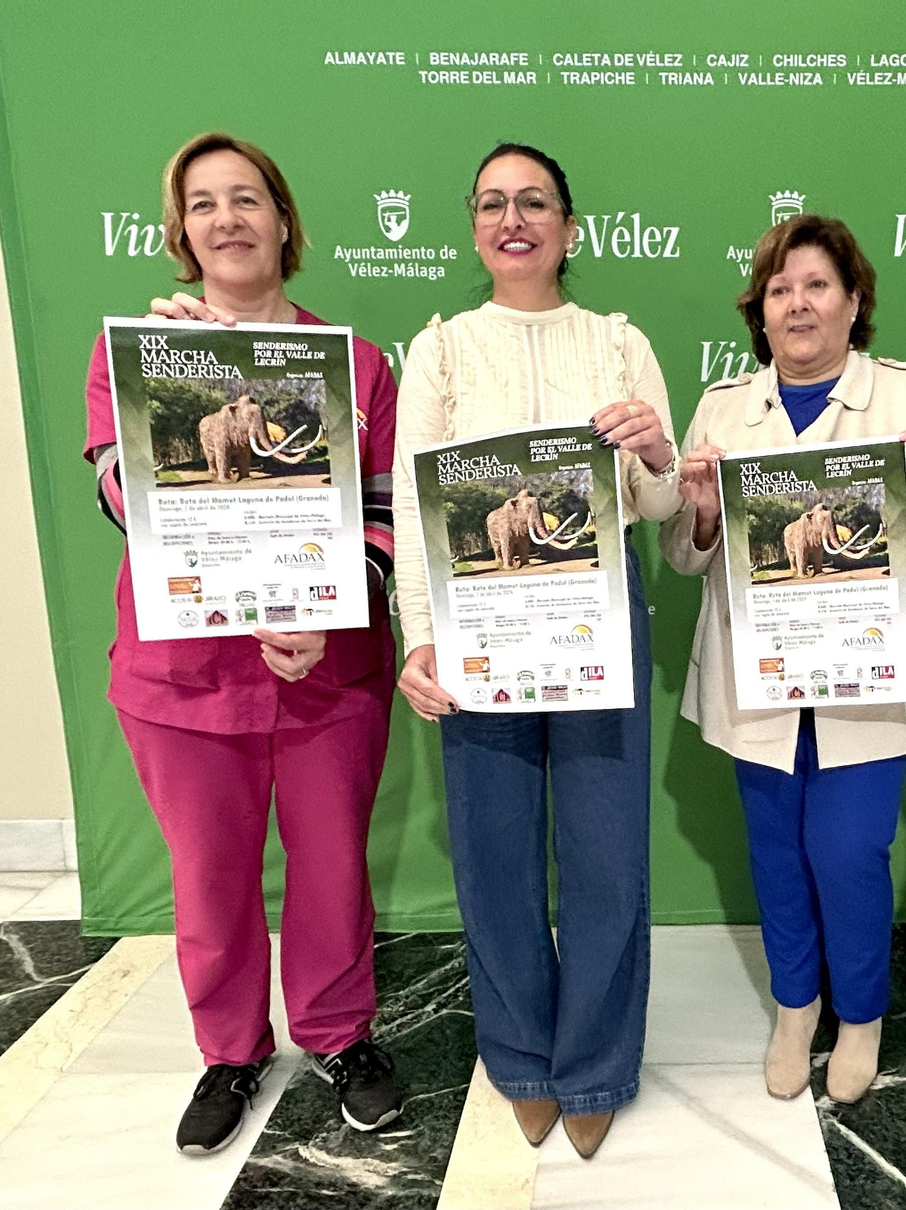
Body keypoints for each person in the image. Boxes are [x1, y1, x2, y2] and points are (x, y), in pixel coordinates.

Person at [83, 132, 403, 1154]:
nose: (228, 218)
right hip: (185, 679)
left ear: (282, 219)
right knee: (210, 876)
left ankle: (338, 1033)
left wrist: (329, 603)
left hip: (327, 670)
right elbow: (120, 494)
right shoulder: (135, 350)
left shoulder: (354, 363)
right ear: (181, 230)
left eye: (248, 198)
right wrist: (163, 387)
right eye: (204, 203)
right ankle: (230, 1049)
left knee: (332, 870)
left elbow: (387, 512)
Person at [390, 143, 682, 1160]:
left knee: (605, 854)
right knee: (493, 852)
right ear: (474, 225)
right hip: (478, 633)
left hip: (599, 622)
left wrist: (653, 451)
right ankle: (519, 1054)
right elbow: (413, 506)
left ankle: (594, 1061)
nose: (513, 219)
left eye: (534, 203)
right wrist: (418, 638)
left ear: (569, 224)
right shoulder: (440, 349)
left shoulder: (616, 341)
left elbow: (660, 501)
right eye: (492, 204)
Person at [660, 215, 906, 1104]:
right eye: (779, 290)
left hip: (867, 685)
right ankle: (796, 1007)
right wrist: (694, 512)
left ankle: (864, 1015)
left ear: (854, 302)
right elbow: (684, 559)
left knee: (848, 852)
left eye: (817, 285)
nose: (797, 303)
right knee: (776, 853)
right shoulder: (726, 408)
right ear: (759, 314)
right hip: (756, 681)